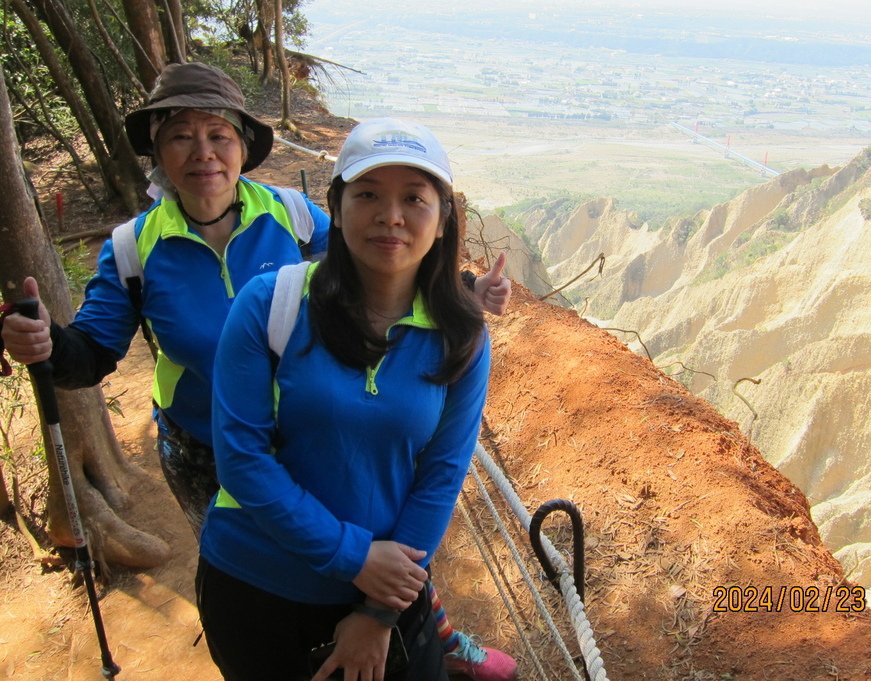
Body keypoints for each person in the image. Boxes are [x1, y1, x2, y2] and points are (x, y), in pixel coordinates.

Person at [0, 64, 515, 680]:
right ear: (158, 153)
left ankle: (423, 628)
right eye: (181, 136)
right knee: (268, 550)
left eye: (218, 134)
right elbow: (92, 352)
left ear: (244, 146)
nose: (203, 153)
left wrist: (459, 291)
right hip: (203, 446)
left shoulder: (290, 216)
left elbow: (385, 263)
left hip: (315, 418)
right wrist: (46, 344)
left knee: (374, 509)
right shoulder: (137, 247)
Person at [197, 117, 488, 681]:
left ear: (443, 216)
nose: (391, 216)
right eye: (369, 195)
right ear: (336, 203)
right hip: (256, 586)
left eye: (414, 198)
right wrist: (353, 557)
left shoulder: (463, 336)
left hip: (387, 595)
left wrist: (378, 614)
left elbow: (441, 476)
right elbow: (241, 459)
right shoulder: (270, 305)